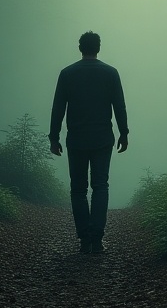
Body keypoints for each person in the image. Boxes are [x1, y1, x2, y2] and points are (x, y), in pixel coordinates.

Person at [48, 31, 129, 254]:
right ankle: (97, 238)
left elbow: (58, 108)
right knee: (100, 186)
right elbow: (119, 106)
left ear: (80, 47)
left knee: (78, 189)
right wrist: (124, 132)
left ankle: (84, 239)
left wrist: (53, 137)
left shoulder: (67, 74)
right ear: (98, 48)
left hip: (76, 139)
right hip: (103, 138)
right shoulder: (111, 73)